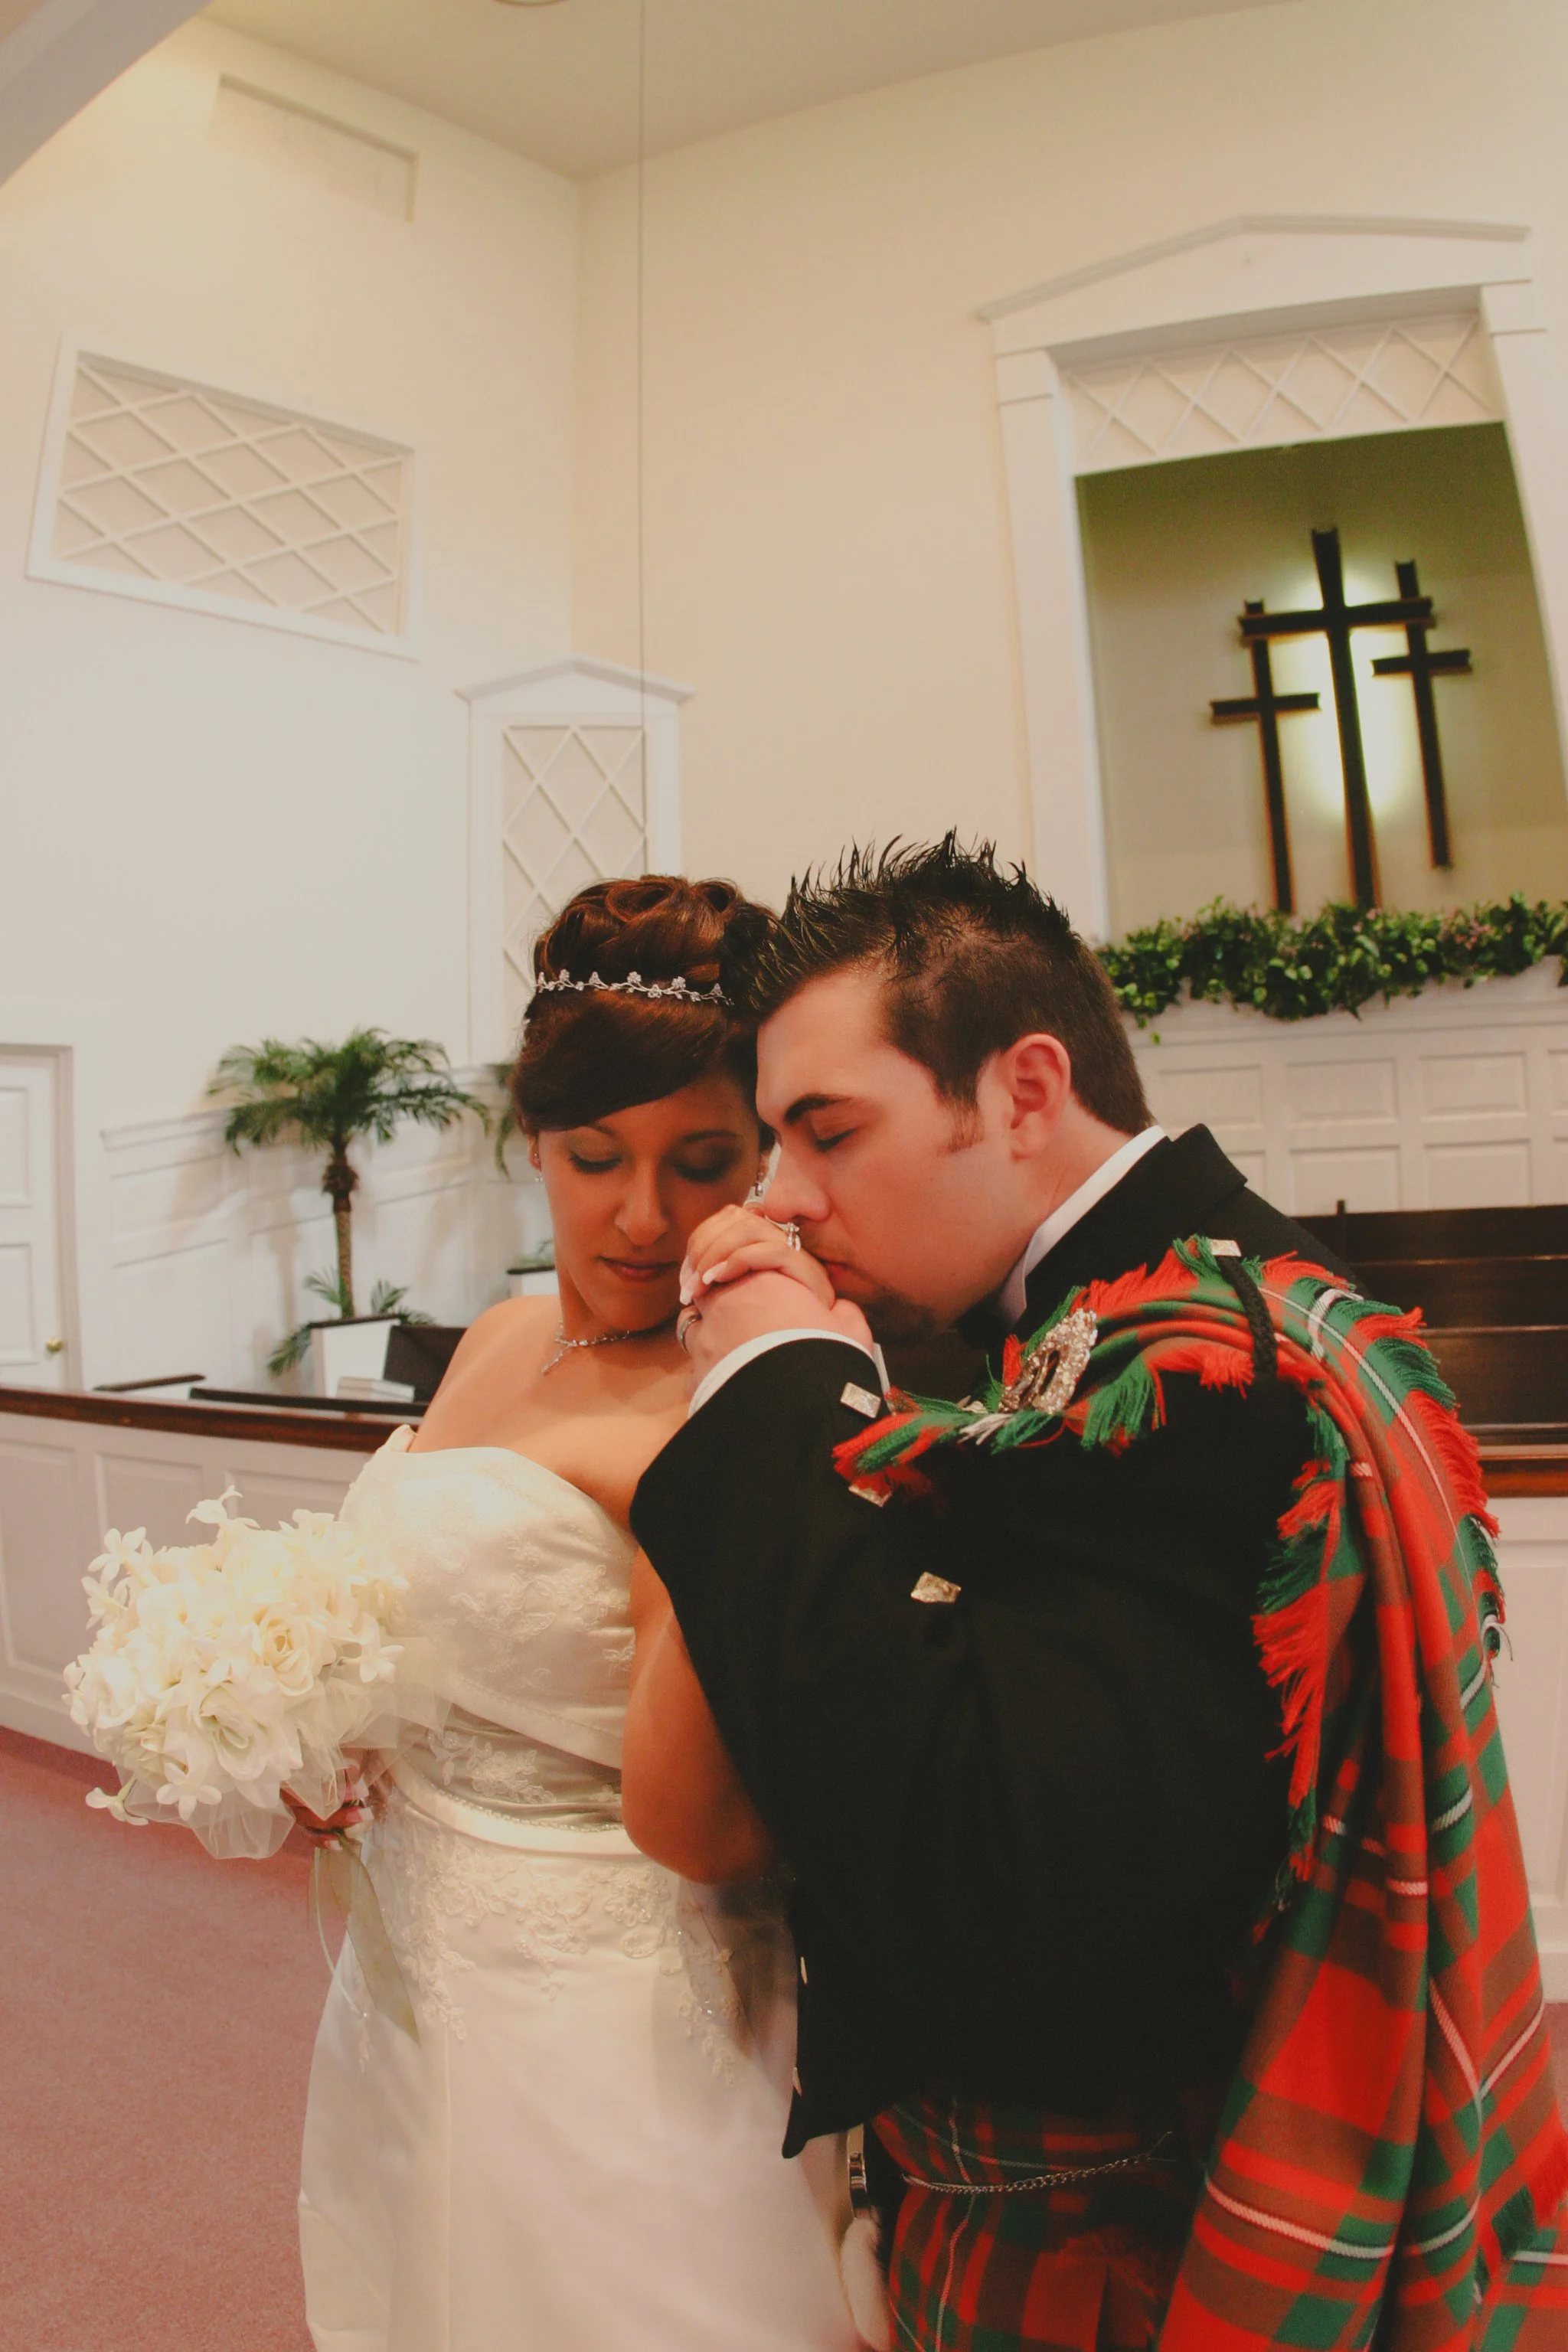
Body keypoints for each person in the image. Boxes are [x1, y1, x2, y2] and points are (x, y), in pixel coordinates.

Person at [626, 839, 1568, 2352]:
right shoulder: (1175, 1303)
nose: (784, 1199)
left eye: (827, 1132)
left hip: (1111, 2231)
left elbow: (967, 1868)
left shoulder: (1193, 1379)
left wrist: (765, 1376)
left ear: (1022, 1088)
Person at [294, 876, 864, 2352]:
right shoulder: (495, 1337)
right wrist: (329, 1735)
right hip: (417, 1973)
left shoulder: (735, 1395)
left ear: (767, 1157)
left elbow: (727, 1825)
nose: (641, 1215)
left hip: (611, 2009)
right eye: (592, 1156)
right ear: (529, 1142)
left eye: (702, 1161)